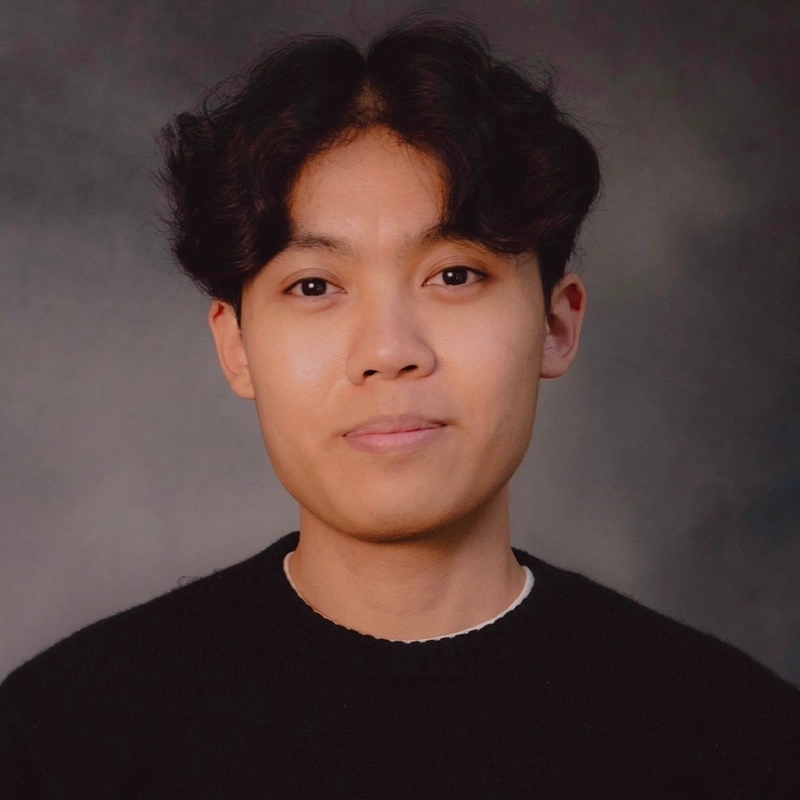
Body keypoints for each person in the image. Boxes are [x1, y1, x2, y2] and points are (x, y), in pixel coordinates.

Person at [1, 13, 798, 798]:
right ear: (237, 346)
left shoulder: (742, 740)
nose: (389, 349)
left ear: (556, 325)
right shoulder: (62, 741)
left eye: (454, 275)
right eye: (314, 286)